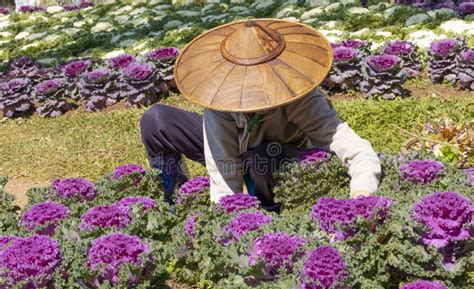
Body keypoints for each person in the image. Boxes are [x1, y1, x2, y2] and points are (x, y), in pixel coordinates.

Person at [140, 19, 381, 211]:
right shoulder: (221, 100)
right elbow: (222, 170)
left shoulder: (300, 98)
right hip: (238, 150)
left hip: (279, 158)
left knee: (261, 156)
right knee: (157, 121)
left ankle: (268, 207)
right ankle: (174, 201)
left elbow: (354, 148)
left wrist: (361, 192)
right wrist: (228, 218)